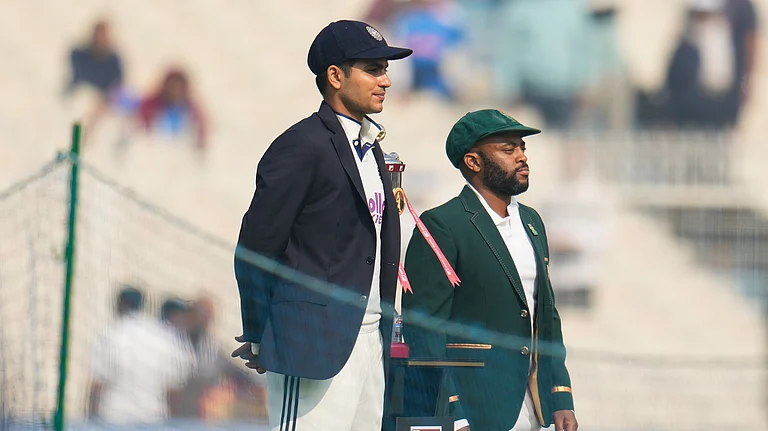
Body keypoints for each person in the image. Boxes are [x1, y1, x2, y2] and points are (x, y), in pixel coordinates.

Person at [231, 20, 412, 431]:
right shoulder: (301, 144)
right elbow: (257, 247)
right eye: (373, 68)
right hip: (311, 344)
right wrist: (262, 333)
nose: (385, 80)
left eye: (386, 69)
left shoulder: (374, 150)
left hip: (370, 341)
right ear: (335, 75)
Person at [402, 110, 578, 431]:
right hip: (472, 407)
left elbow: (547, 316)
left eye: (522, 148)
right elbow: (423, 329)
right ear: (473, 162)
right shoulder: (442, 224)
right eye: (508, 149)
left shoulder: (532, 222)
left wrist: (560, 394)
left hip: (532, 409)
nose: (522, 157)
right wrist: (452, 413)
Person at [89, 286, 192, 424]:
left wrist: (91, 420)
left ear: (120, 305)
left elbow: (98, 384)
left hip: (113, 418)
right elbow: (173, 392)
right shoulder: (163, 339)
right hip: (152, 419)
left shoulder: (112, 334)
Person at [136, 68, 208, 150]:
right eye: (173, 87)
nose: (175, 91)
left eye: (179, 87)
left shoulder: (191, 111)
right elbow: (141, 131)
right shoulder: (151, 106)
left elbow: (201, 134)